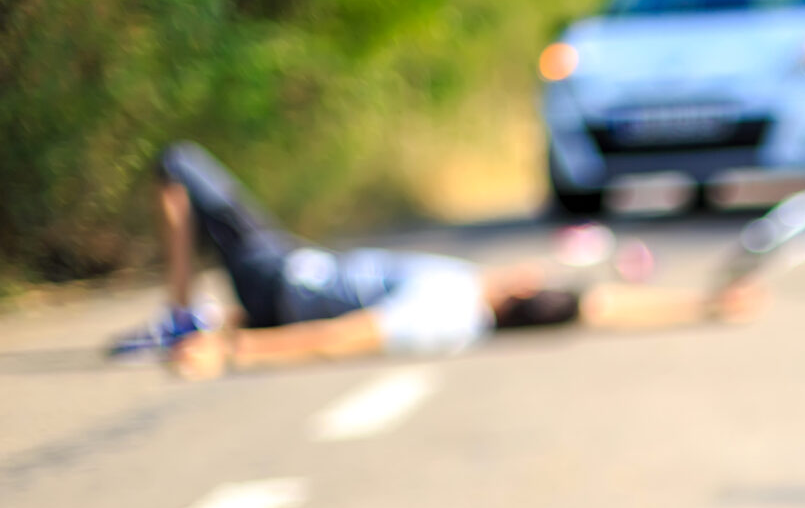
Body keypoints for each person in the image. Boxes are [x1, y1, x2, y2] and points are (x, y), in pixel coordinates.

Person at [112, 142, 763, 379]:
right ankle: (204, 317)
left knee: (178, 162)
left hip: (278, 276)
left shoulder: (447, 309)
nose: (530, 270)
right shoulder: (476, 299)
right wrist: (705, 304)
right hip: (281, 288)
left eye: (534, 279)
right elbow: (603, 308)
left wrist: (232, 355)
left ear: (517, 297)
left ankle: (180, 314)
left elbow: (344, 340)